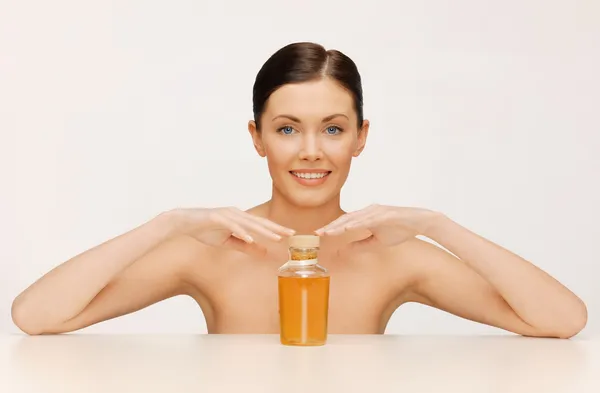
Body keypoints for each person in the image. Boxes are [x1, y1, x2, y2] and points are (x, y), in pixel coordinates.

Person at [11, 42, 587, 338]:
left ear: (360, 138)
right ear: (257, 138)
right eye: (287, 129)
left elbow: (561, 320)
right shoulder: (211, 248)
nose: (311, 150)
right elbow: (37, 316)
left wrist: (438, 224)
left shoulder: (393, 254)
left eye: (333, 129)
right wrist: (168, 223)